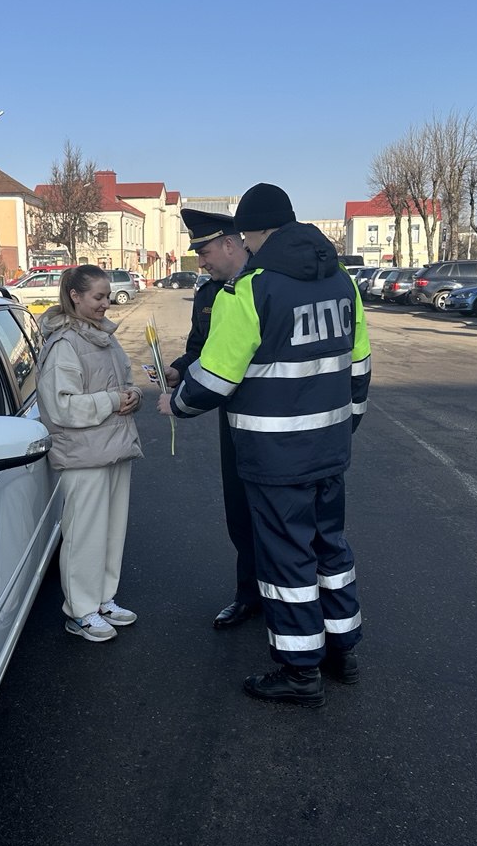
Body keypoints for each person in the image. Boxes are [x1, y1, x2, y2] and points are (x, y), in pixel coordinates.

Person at [159, 183, 371, 707]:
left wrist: (176, 404)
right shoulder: (343, 282)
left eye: (247, 237)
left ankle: (300, 671)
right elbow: (359, 367)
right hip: (329, 448)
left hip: (276, 457)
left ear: (255, 233)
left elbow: (214, 378)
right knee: (330, 549)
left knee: (286, 561)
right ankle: (343, 651)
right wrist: (343, 426)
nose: (247, 246)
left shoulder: (249, 291)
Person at [38, 265, 144, 642]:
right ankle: (80, 611)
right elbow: (61, 406)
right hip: (83, 456)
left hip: (113, 447)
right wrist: (114, 400)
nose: (105, 304)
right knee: (84, 536)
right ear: (75, 296)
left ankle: (102, 599)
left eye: (106, 296)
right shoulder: (64, 345)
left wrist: (134, 394)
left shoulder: (103, 337)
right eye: (98, 297)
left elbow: (124, 381)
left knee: (111, 532)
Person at [165, 209, 260, 629]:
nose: (200, 262)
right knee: (239, 512)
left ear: (230, 243)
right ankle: (249, 595)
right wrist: (178, 370)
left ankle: (292, 600)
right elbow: (201, 350)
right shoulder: (208, 294)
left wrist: (180, 404)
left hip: (274, 419)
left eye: (204, 252)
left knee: (281, 517)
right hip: (233, 417)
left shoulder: (268, 285)